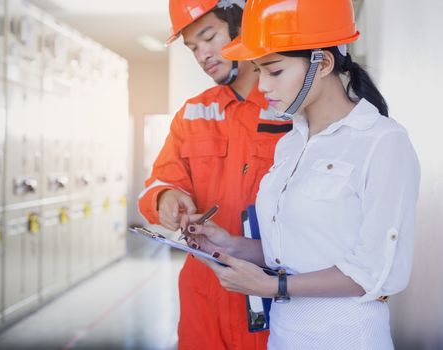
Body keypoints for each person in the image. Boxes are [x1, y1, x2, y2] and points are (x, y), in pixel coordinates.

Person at [181, 0, 421, 349]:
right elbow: (298, 251)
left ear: (321, 63)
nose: (262, 86)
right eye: (257, 70)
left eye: (274, 71)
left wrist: (273, 286)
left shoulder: (382, 142)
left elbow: (374, 272)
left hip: (347, 339)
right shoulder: (292, 143)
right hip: (283, 337)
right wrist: (230, 244)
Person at [138, 0, 292, 348]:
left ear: (242, 25)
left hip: (277, 293)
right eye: (192, 47)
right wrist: (165, 198)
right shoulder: (192, 113)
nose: (202, 54)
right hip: (205, 299)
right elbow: (160, 181)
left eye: (209, 37)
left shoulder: (291, 106)